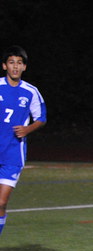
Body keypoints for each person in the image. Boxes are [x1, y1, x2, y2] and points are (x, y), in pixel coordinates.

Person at [0, 45, 46, 238]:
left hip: (13, 155)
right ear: (4, 66)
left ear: (24, 67)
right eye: (11, 62)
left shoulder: (31, 92)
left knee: (1, 202)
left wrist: (27, 129)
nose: (15, 66)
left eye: (19, 63)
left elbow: (41, 118)